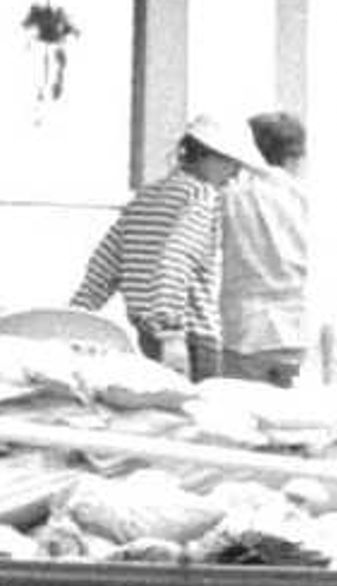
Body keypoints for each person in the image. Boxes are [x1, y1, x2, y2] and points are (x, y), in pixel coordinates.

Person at [70, 113, 267, 378]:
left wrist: (76, 317)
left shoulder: (145, 197)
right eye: (234, 164)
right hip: (189, 337)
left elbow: (105, 265)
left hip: (148, 332)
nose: (235, 175)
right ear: (212, 156)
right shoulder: (202, 197)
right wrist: (171, 331)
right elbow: (177, 258)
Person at [215, 108, 316, 387]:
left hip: (244, 330)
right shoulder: (306, 198)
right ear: (296, 156)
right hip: (297, 330)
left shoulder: (229, 197)